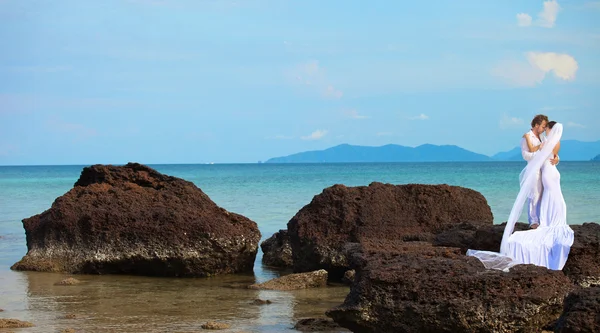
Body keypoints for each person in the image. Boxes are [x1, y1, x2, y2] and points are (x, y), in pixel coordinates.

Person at [467, 122, 574, 271]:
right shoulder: (555, 142)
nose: (544, 130)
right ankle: (552, 219)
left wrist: (549, 154)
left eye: (546, 128)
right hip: (553, 172)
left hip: (549, 173)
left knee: (550, 194)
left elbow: (546, 154)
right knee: (553, 195)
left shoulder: (548, 141)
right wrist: (555, 158)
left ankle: (548, 220)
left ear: (550, 129)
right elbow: (553, 155)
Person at [520, 114, 559, 229]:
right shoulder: (526, 137)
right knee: (534, 195)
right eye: (543, 126)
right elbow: (525, 155)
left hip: (545, 170)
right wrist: (539, 155)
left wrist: (556, 159)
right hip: (534, 170)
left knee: (544, 195)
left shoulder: (543, 138)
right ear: (536, 125)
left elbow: (551, 152)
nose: (544, 129)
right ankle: (533, 221)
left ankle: (542, 218)